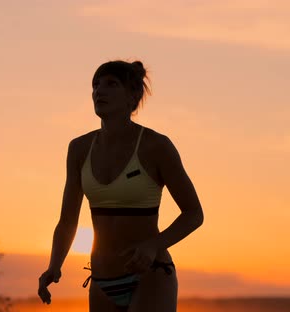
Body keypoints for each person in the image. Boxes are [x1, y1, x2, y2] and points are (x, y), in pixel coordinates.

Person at [38, 60, 204, 311]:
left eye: (111, 84)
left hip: (151, 275)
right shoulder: (79, 149)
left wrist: (153, 245)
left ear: (133, 95)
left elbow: (194, 214)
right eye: (95, 85)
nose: (99, 91)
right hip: (101, 282)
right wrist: (54, 265)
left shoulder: (156, 146)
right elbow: (67, 221)